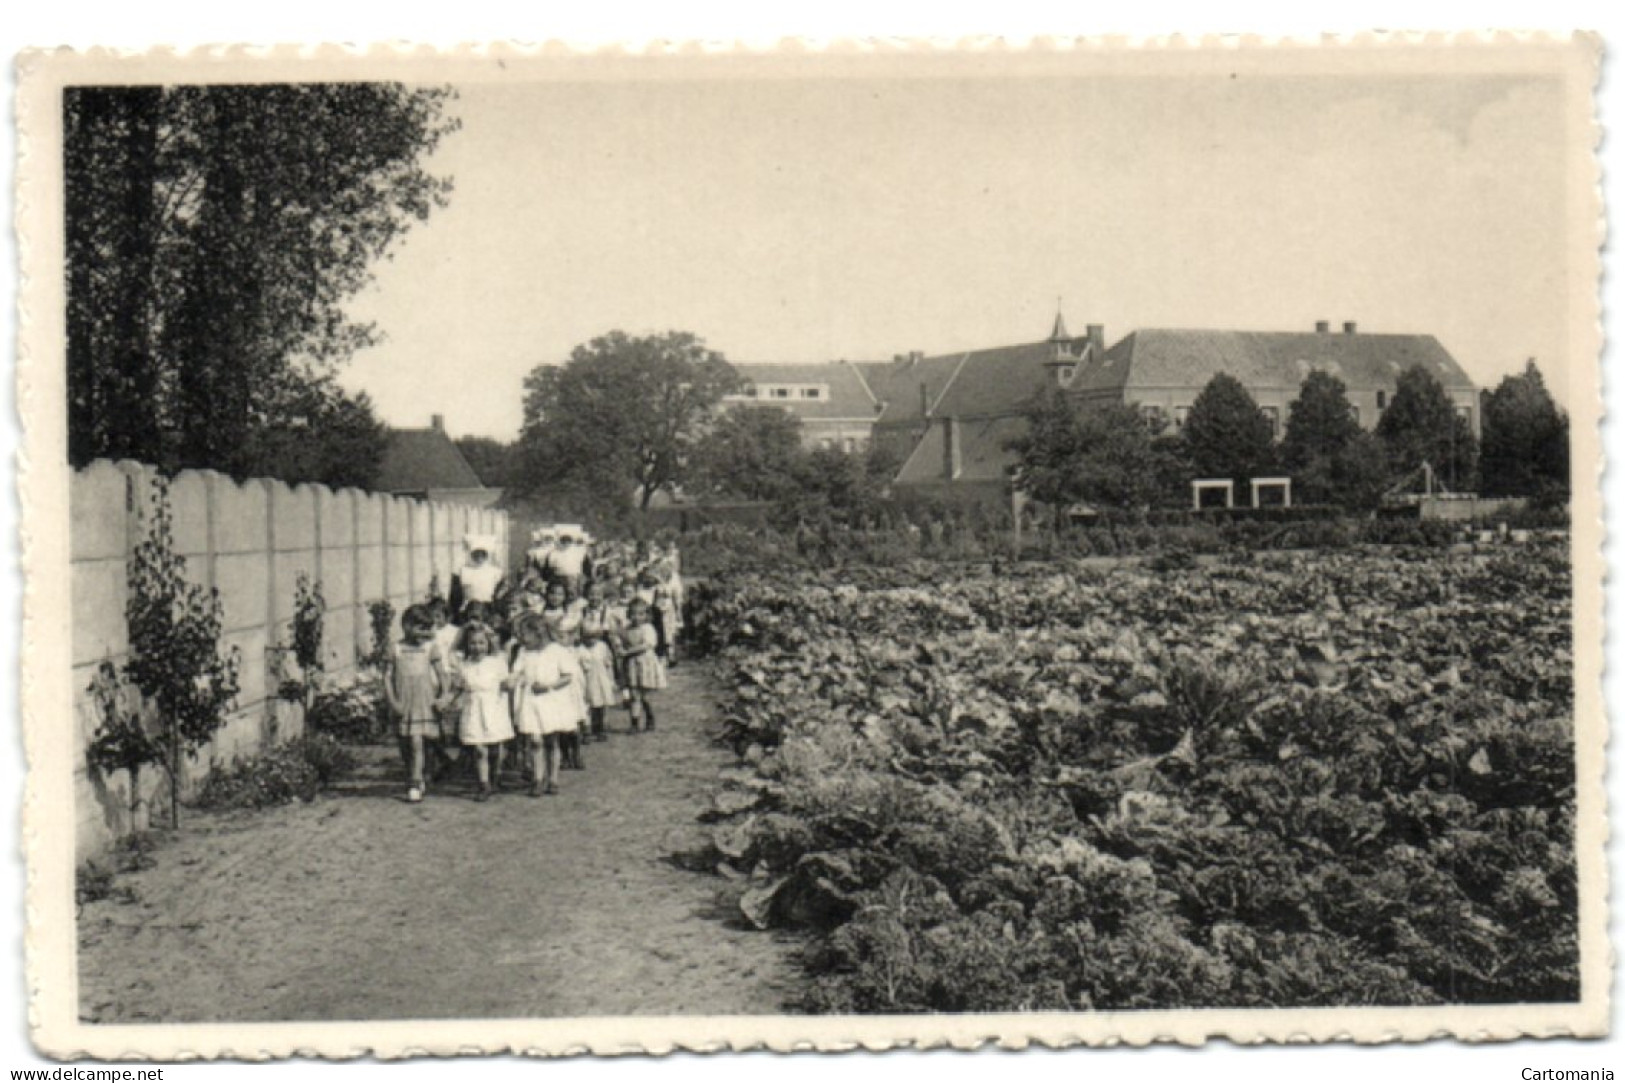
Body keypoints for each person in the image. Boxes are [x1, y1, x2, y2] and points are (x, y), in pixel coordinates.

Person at [509, 613, 578, 797]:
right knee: (535, 741)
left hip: (551, 701)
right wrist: (511, 681)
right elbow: (516, 671)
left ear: (538, 633)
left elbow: (568, 676)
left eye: (525, 634)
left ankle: (553, 778)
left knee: (552, 741)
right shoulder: (524, 652)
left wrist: (549, 687)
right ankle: (538, 778)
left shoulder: (557, 651)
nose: (522, 638)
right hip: (531, 700)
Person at [382, 604, 443, 804]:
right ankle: (414, 773)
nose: (424, 633)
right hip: (404, 702)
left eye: (427, 628)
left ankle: (414, 783)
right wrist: (393, 702)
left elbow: (443, 675)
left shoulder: (429, 648)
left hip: (424, 701)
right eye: (419, 627)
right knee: (405, 744)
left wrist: (443, 697)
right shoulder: (396, 649)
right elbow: (387, 678)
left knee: (417, 742)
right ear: (406, 626)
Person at [448, 621, 515, 801]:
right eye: (473, 643)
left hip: (494, 709)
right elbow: (458, 685)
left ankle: (496, 775)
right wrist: (447, 701)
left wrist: (510, 685)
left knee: (496, 749)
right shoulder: (464, 665)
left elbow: (506, 683)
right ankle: (483, 784)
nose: (477, 647)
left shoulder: (497, 662)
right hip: (474, 710)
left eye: (481, 643)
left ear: (488, 644)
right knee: (479, 749)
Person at [577, 580, 623, 742]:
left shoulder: (607, 612)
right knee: (586, 693)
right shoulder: (581, 611)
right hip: (585, 646)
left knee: (601, 691)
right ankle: (587, 727)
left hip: (603, 645)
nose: (594, 597)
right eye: (591, 594)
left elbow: (614, 631)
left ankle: (600, 725)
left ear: (603, 597)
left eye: (597, 594)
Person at [621, 597, 665, 733]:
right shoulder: (627, 628)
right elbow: (622, 640)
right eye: (633, 614)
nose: (637, 617)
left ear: (646, 615)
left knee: (644, 695)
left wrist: (628, 651)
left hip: (645, 664)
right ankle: (634, 723)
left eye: (641, 614)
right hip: (632, 664)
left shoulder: (648, 628)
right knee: (634, 694)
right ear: (629, 614)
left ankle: (650, 716)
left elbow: (647, 645)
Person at [449, 535, 506, 621]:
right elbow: (455, 596)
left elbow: (499, 594)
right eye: (476, 554)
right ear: (471, 554)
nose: (479, 557)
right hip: (468, 610)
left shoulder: (495, 572)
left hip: (489, 609)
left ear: (487, 555)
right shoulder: (463, 571)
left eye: (482, 554)